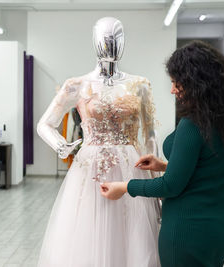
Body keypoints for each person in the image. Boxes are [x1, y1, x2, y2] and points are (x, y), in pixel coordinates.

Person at [100, 40, 224, 267]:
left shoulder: (193, 125)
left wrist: (124, 187)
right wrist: (164, 165)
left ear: (198, 83)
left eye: (176, 83)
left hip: (187, 232)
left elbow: (170, 186)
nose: (173, 89)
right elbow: (209, 167)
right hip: (221, 228)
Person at [36, 17, 161, 266]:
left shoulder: (140, 85)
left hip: (131, 168)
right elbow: (44, 124)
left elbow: (149, 137)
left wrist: (157, 188)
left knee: (131, 232)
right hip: (90, 169)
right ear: (95, 41)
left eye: (117, 38)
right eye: (105, 39)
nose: (111, 45)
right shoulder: (77, 85)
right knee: (87, 228)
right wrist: (61, 145)